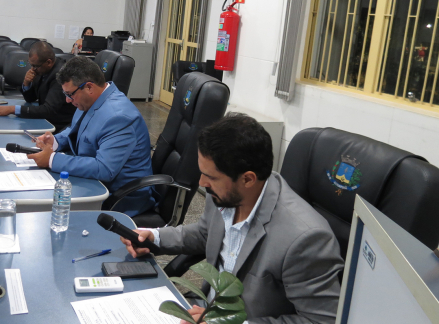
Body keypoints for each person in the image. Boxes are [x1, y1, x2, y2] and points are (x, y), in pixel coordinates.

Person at [121, 113, 344, 324]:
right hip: (207, 310)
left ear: (248, 179)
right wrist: (155, 237)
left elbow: (321, 320)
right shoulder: (224, 193)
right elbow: (204, 234)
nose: (202, 183)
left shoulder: (304, 239)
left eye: (210, 177)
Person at [27, 56, 156, 217]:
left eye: (69, 94)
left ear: (89, 87)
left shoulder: (119, 117)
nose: (67, 100)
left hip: (120, 198)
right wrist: (55, 141)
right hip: (94, 184)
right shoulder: (89, 100)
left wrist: (52, 160)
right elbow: (74, 129)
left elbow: (104, 168)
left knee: (45, 210)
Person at [0, 41, 76, 131]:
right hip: (45, 120)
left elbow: (48, 110)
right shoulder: (42, 69)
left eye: (35, 66)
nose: (33, 69)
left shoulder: (60, 76)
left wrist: (12, 109)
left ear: (48, 62)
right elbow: (30, 98)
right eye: (31, 65)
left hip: (59, 126)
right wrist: (26, 83)